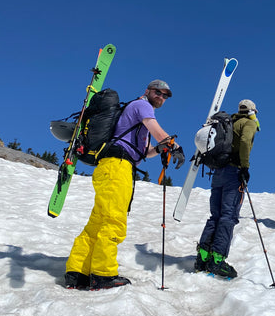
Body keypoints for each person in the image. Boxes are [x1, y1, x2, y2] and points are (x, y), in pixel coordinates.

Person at [65, 79, 185, 290]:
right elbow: (157, 130)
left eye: (165, 96)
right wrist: (173, 144)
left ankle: (77, 272)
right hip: (117, 167)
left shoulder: (137, 116)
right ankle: (102, 274)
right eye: (158, 92)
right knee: (113, 221)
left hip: (110, 166)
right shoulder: (142, 106)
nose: (161, 97)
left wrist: (160, 149)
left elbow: (145, 153)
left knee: (97, 222)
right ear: (148, 91)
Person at [195, 99, 260, 278]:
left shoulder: (229, 123)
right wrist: (244, 167)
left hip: (218, 172)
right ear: (253, 111)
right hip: (234, 173)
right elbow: (246, 141)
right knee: (228, 216)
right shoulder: (249, 123)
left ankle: (202, 257)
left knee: (215, 216)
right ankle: (217, 260)